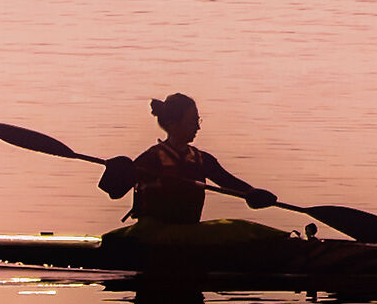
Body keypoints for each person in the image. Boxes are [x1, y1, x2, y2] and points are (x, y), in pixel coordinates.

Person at [99, 94, 274, 224]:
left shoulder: (201, 159)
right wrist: (118, 168)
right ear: (172, 124)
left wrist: (251, 193)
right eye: (192, 121)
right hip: (153, 236)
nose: (198, 127)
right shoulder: (151, 159)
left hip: (188, 232)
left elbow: (227, 182)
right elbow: (115, 192)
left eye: (198, 120)